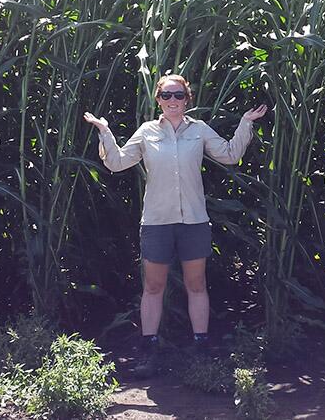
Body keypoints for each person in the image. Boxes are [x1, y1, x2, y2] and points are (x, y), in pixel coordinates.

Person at [83, 74, 267, 378]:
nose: (172, 101)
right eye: (166, 96)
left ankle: (201, 347)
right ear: (157, 99)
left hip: (194, 220)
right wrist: (105, 131)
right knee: (153, 287)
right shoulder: (147, 132)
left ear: (187, 99)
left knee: (197, 285)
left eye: (178, 96)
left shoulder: (199, 130)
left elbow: (230, 155)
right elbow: (116, 163)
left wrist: (245, 123)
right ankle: (149, 349)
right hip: (157, 222)